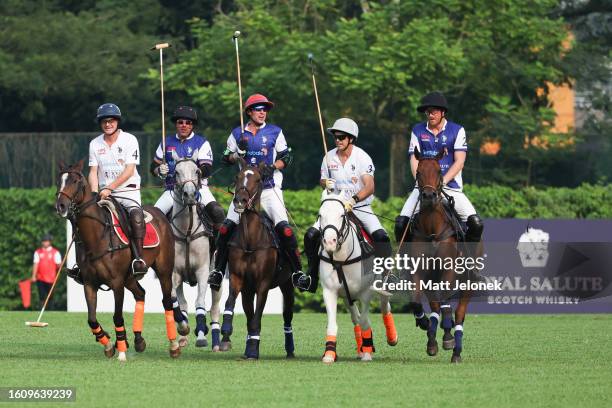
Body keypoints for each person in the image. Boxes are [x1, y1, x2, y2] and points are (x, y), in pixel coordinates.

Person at [207, 93, 301, 290]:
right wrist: (237, 153)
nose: (262, 112)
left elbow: (287, 157)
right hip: (244, 192)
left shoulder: (276, 132)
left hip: (268, 189)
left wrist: (273, 166)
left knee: (285, 229)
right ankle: (217, 271)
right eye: (258, 109)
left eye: (265, 109)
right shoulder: (237, 133)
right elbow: (225, 158)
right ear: (249, 112)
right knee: (225, 228)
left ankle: (297, 273)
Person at [292, 118, 392, 292]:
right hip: (335, 208)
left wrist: (353, 200)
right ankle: (311, 277)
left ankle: (385, 277)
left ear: (351, 139)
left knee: (382, 237)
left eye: (342, 137)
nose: (338, 140)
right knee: (310, 236)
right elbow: (322, 180)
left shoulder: (362, 157)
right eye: (336, 137)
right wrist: (325, 183)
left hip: (359, 207)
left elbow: (370, 186)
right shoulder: (328, 157)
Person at [395, 91, 483, 244]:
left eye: (434, 111)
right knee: (401, 223)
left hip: (451, 187)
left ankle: (470, 262)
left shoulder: (457, 130)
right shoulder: (417, 130)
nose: (430, 114)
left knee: (476, 223)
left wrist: (442, 181)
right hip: (424, 188)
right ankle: (406, 263)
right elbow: (413, 159)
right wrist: (420, 181)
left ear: (443, 112)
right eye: (427, 112)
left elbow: (459, 162)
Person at [88, 103, 148, 276]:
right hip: (104, 195)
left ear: (117, 122)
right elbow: (93, 172)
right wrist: (94, 194)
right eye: (104, 121)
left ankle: (138, 258)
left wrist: (109, 187)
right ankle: (83, 262)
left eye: (111, 120)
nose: (108, 124)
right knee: (86, 218)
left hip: (128, 192)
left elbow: (129, 171)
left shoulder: (130, 140)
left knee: (136, 216)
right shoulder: (94, 144)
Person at [150, 105, 225, 227]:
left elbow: (206, 168)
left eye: (188, 123)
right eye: (180, 122)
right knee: (153, 218)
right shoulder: (166, 142)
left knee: (217, 212)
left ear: (192, 125)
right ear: (176, 124)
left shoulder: (201, 142)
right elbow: (153, 167)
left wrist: (195, 174)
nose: (184, 125)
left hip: (198, 189)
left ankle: (217, 245)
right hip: (172, 190)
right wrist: (159, 170)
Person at [31, 234, 61, 307]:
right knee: (41, 295)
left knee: (50, 295)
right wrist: (33, 276)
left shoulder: (55, 252)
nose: (45, 243)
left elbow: (58, 266)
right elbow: (36, 264)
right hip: (40, 278)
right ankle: (41, 309)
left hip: (51, 278)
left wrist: (59, 272)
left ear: (50, 242)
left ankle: (51, 310)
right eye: (44, 241)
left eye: (46, 241)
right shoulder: (38, 252)